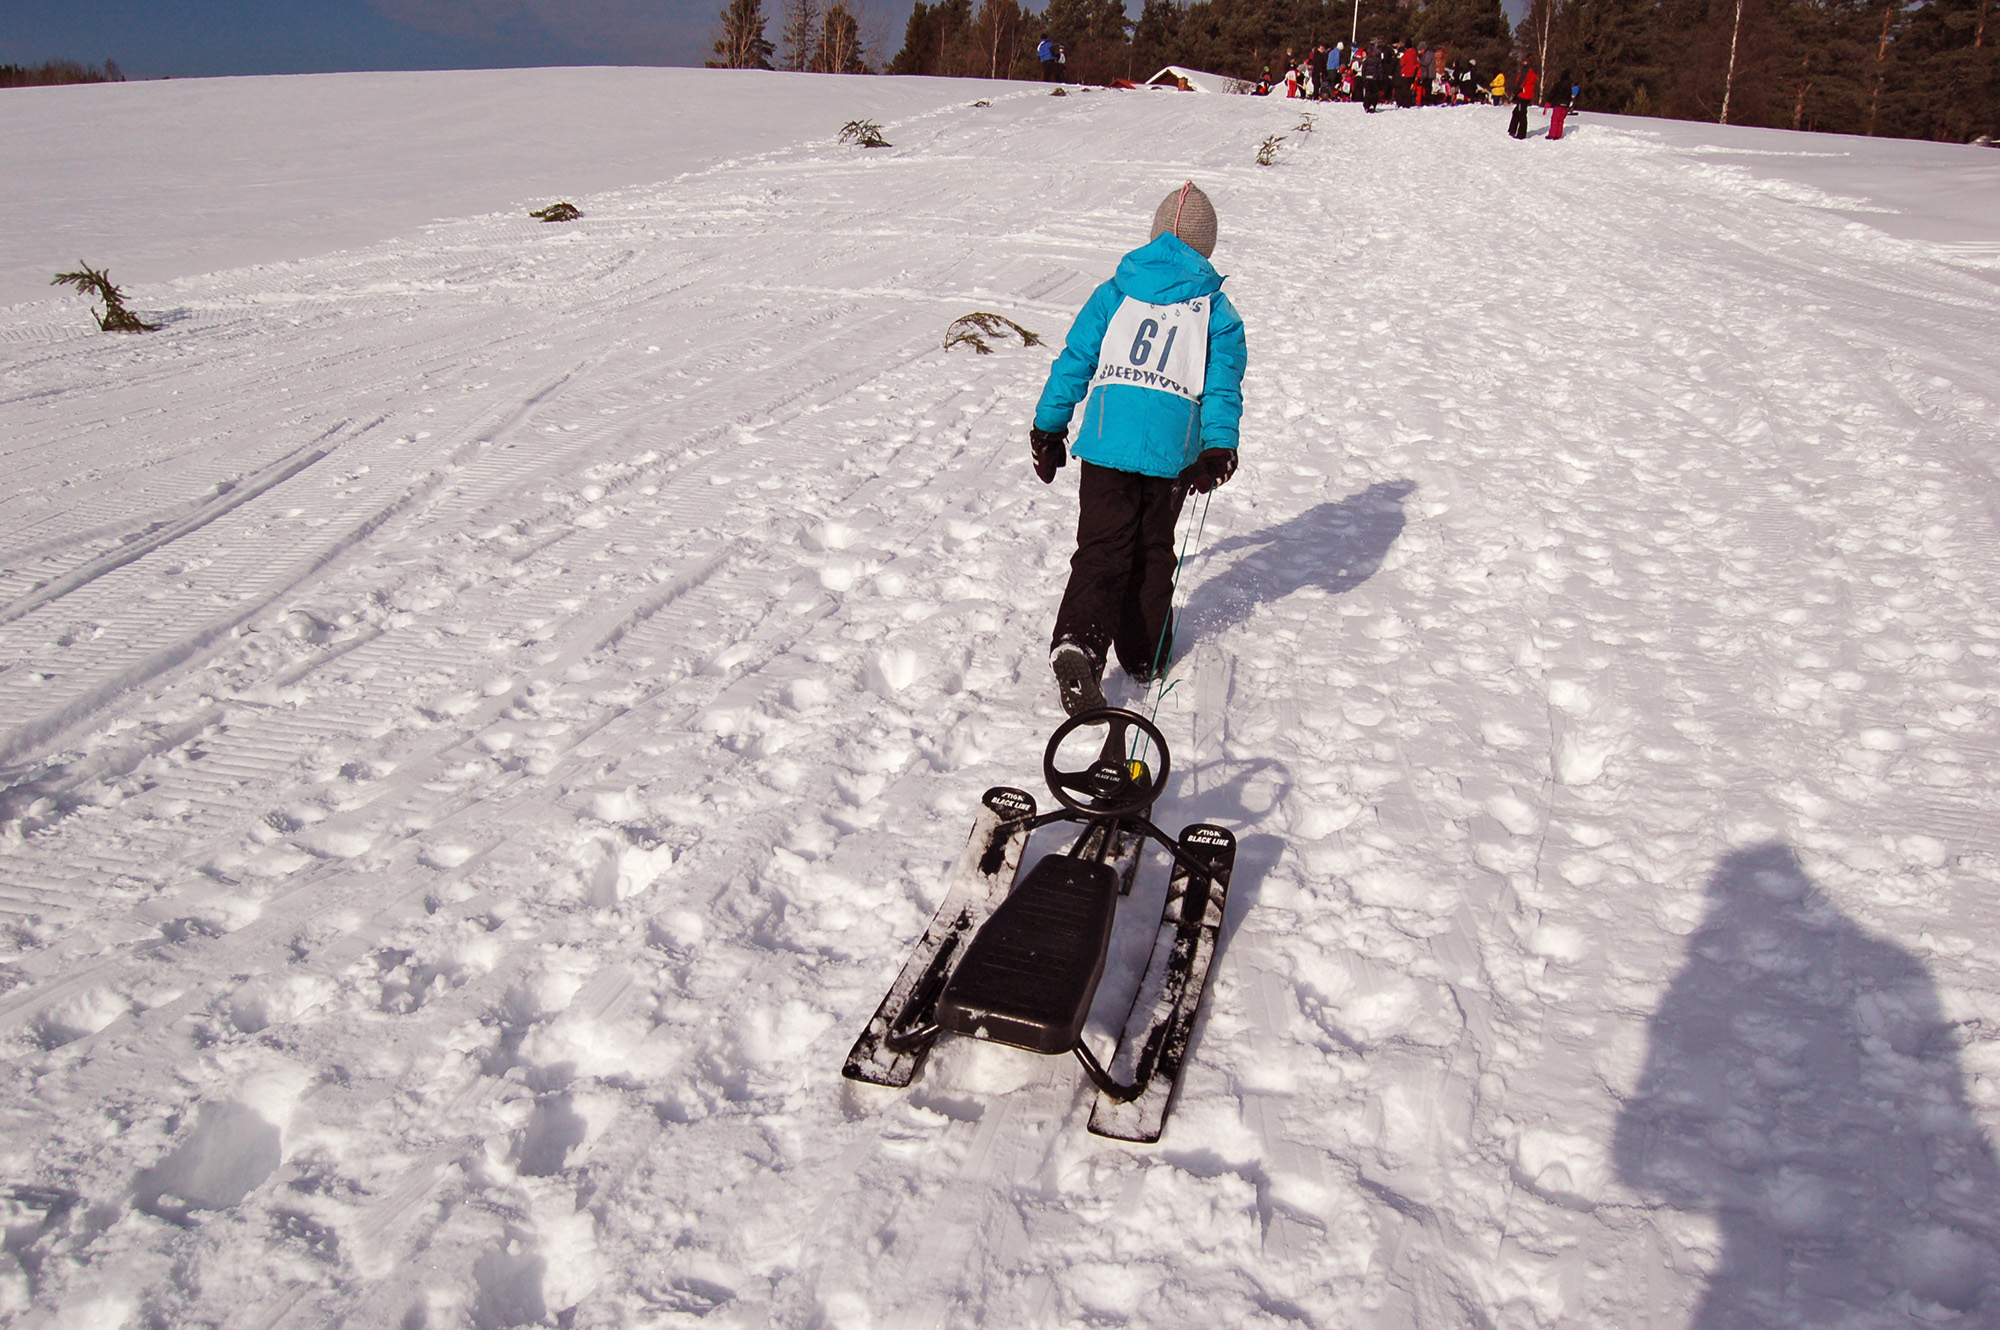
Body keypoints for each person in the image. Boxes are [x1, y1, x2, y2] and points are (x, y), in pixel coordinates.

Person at [1028, 183, 1247, 715]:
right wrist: (1218, 446)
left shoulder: (1115, 291)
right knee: (1152, 554)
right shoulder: (1216, 310)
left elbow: (1076, 357)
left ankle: (1079, 641)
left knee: (1101, 549)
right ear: (1207, 246)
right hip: (1170, 456)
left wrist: (1048, 425)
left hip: (1106, 444)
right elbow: (1222, 386)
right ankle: (1145, 655)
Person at [1508, 65, 1537, 138]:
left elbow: (1520, 83)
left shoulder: (1526, 72)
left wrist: (1514, 93)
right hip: (1528, 95)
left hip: (1523, 95)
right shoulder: (1534, 72)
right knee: (1516, 112)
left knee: (1521, 114)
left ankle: (1521, 134)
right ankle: (1512, 130)